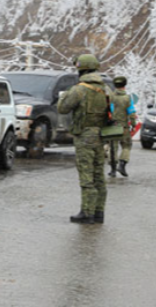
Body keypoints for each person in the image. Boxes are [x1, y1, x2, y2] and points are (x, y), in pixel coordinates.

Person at [58, 54, 110, 224]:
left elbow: (63, 109)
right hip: (101, 135)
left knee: (86, 173)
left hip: (84, 135)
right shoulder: (106, 89)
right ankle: (99, 212)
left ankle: (86, 212)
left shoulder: (79, 89)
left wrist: (65, 94)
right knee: (98, 174)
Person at [108, 76, 137, 177]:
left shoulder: (110, 97)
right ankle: (122, 164)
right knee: (126, 145)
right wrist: (133, 124)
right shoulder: (127, 98)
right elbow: (131, 113)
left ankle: (112, 170)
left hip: (111, 126)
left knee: (113, 147)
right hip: (123, 126)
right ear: (124, 86)